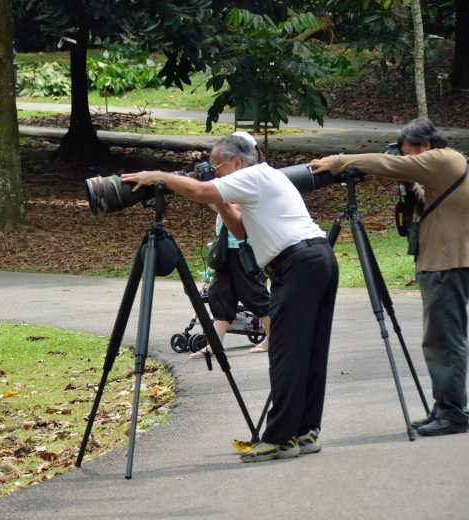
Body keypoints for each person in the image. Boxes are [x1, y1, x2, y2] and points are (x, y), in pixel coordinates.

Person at [122, 134, 338, 462]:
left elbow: (197, 190)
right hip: (317, 258)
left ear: (238, 162)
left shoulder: (253, 175)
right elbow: (240, 231)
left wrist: (161, 177)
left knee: (286, 352)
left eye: (217, 166)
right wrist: (221, 201)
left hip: (298, 263)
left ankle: (280, 438)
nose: (214, 172)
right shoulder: (266, 177)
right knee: (309, 350)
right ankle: (306, 431)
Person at [310, 117, 469, 437]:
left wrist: (339, 162)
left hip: (446, 265)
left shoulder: (443, 159)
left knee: (445, 339)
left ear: (426, 146)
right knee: (438, 338)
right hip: (440, 262)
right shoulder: (439, 167)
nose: (407, 160)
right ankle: (446, 405)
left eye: (410, 153)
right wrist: (408, 179)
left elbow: (386, 163)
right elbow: (423, 204)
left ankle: (453, 412)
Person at [191, 132, 272, 359]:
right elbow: (217, 207)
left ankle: (274, 337)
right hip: (226, 245)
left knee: (252, 292)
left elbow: (239, 213)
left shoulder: (253, 179)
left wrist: (217, 195)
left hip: (244, 246)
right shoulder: (230, 180)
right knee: (220, 293)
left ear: (239, 157)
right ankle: (214, 345)